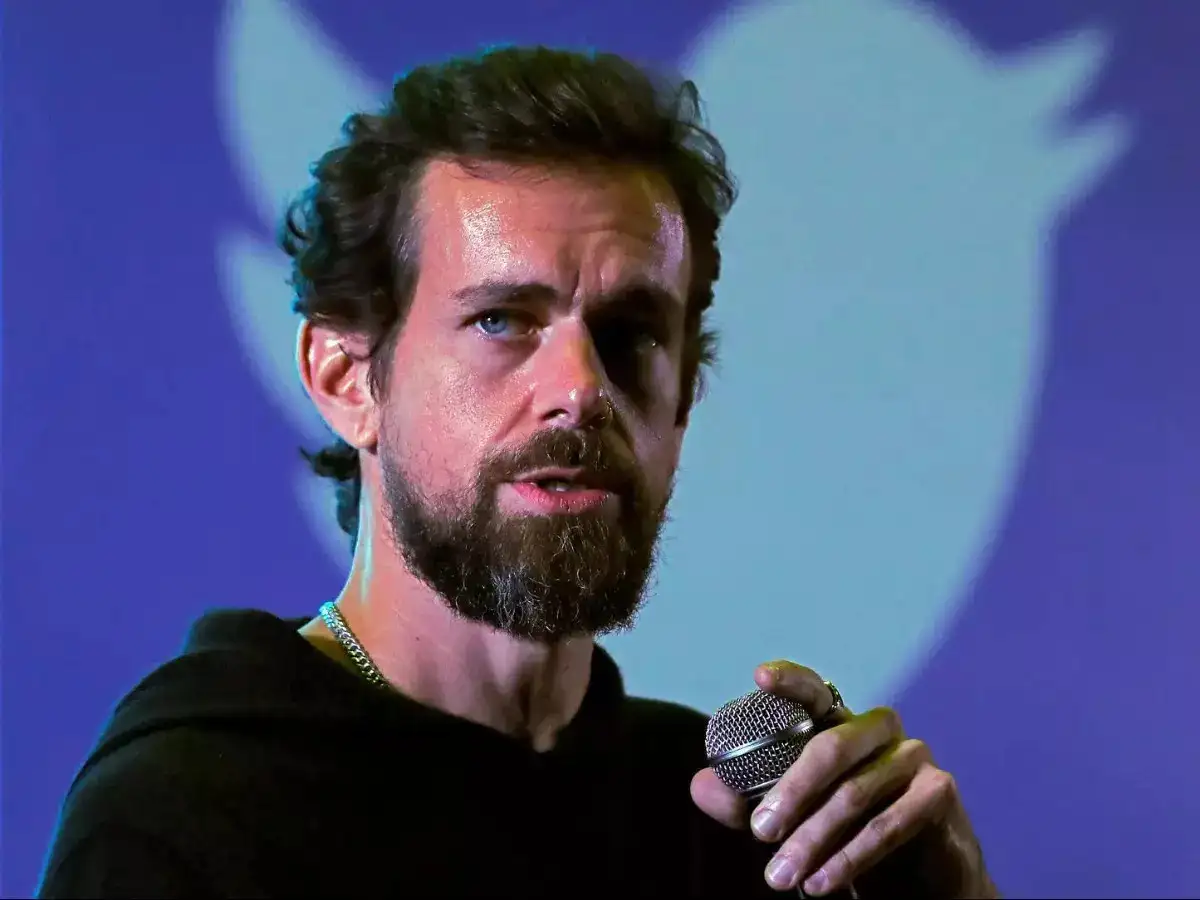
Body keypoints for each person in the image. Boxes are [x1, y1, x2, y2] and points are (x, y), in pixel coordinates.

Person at [39, 46, 997, 898]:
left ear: (683, 400)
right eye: (501, 320)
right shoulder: (187, 820)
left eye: (630, 333)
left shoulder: (743, 828)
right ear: (346, 379)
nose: (580, 390)